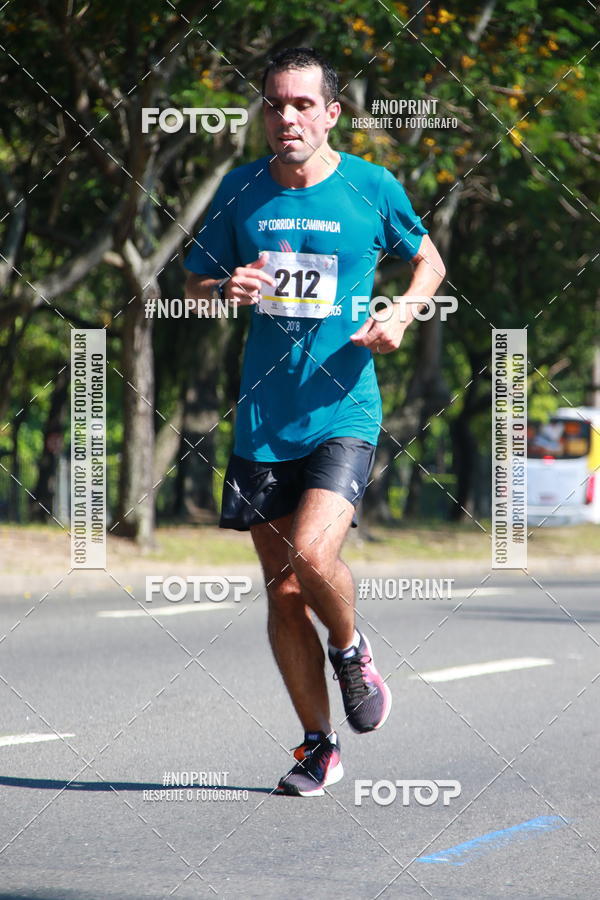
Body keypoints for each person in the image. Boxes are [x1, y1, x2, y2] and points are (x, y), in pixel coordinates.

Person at [184, 47, 446, 796]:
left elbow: (428, 259)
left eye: (302, 104)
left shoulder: (371, 186)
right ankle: (317, 745)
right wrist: (221, 286)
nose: (286, 117)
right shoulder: (239, 192)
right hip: (265, 420)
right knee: (282, 592)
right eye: (274, 104)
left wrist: (403, 309)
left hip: (345, 408)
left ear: (332, 112)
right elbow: (197, 281)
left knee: (309, 553)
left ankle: (353, 645)